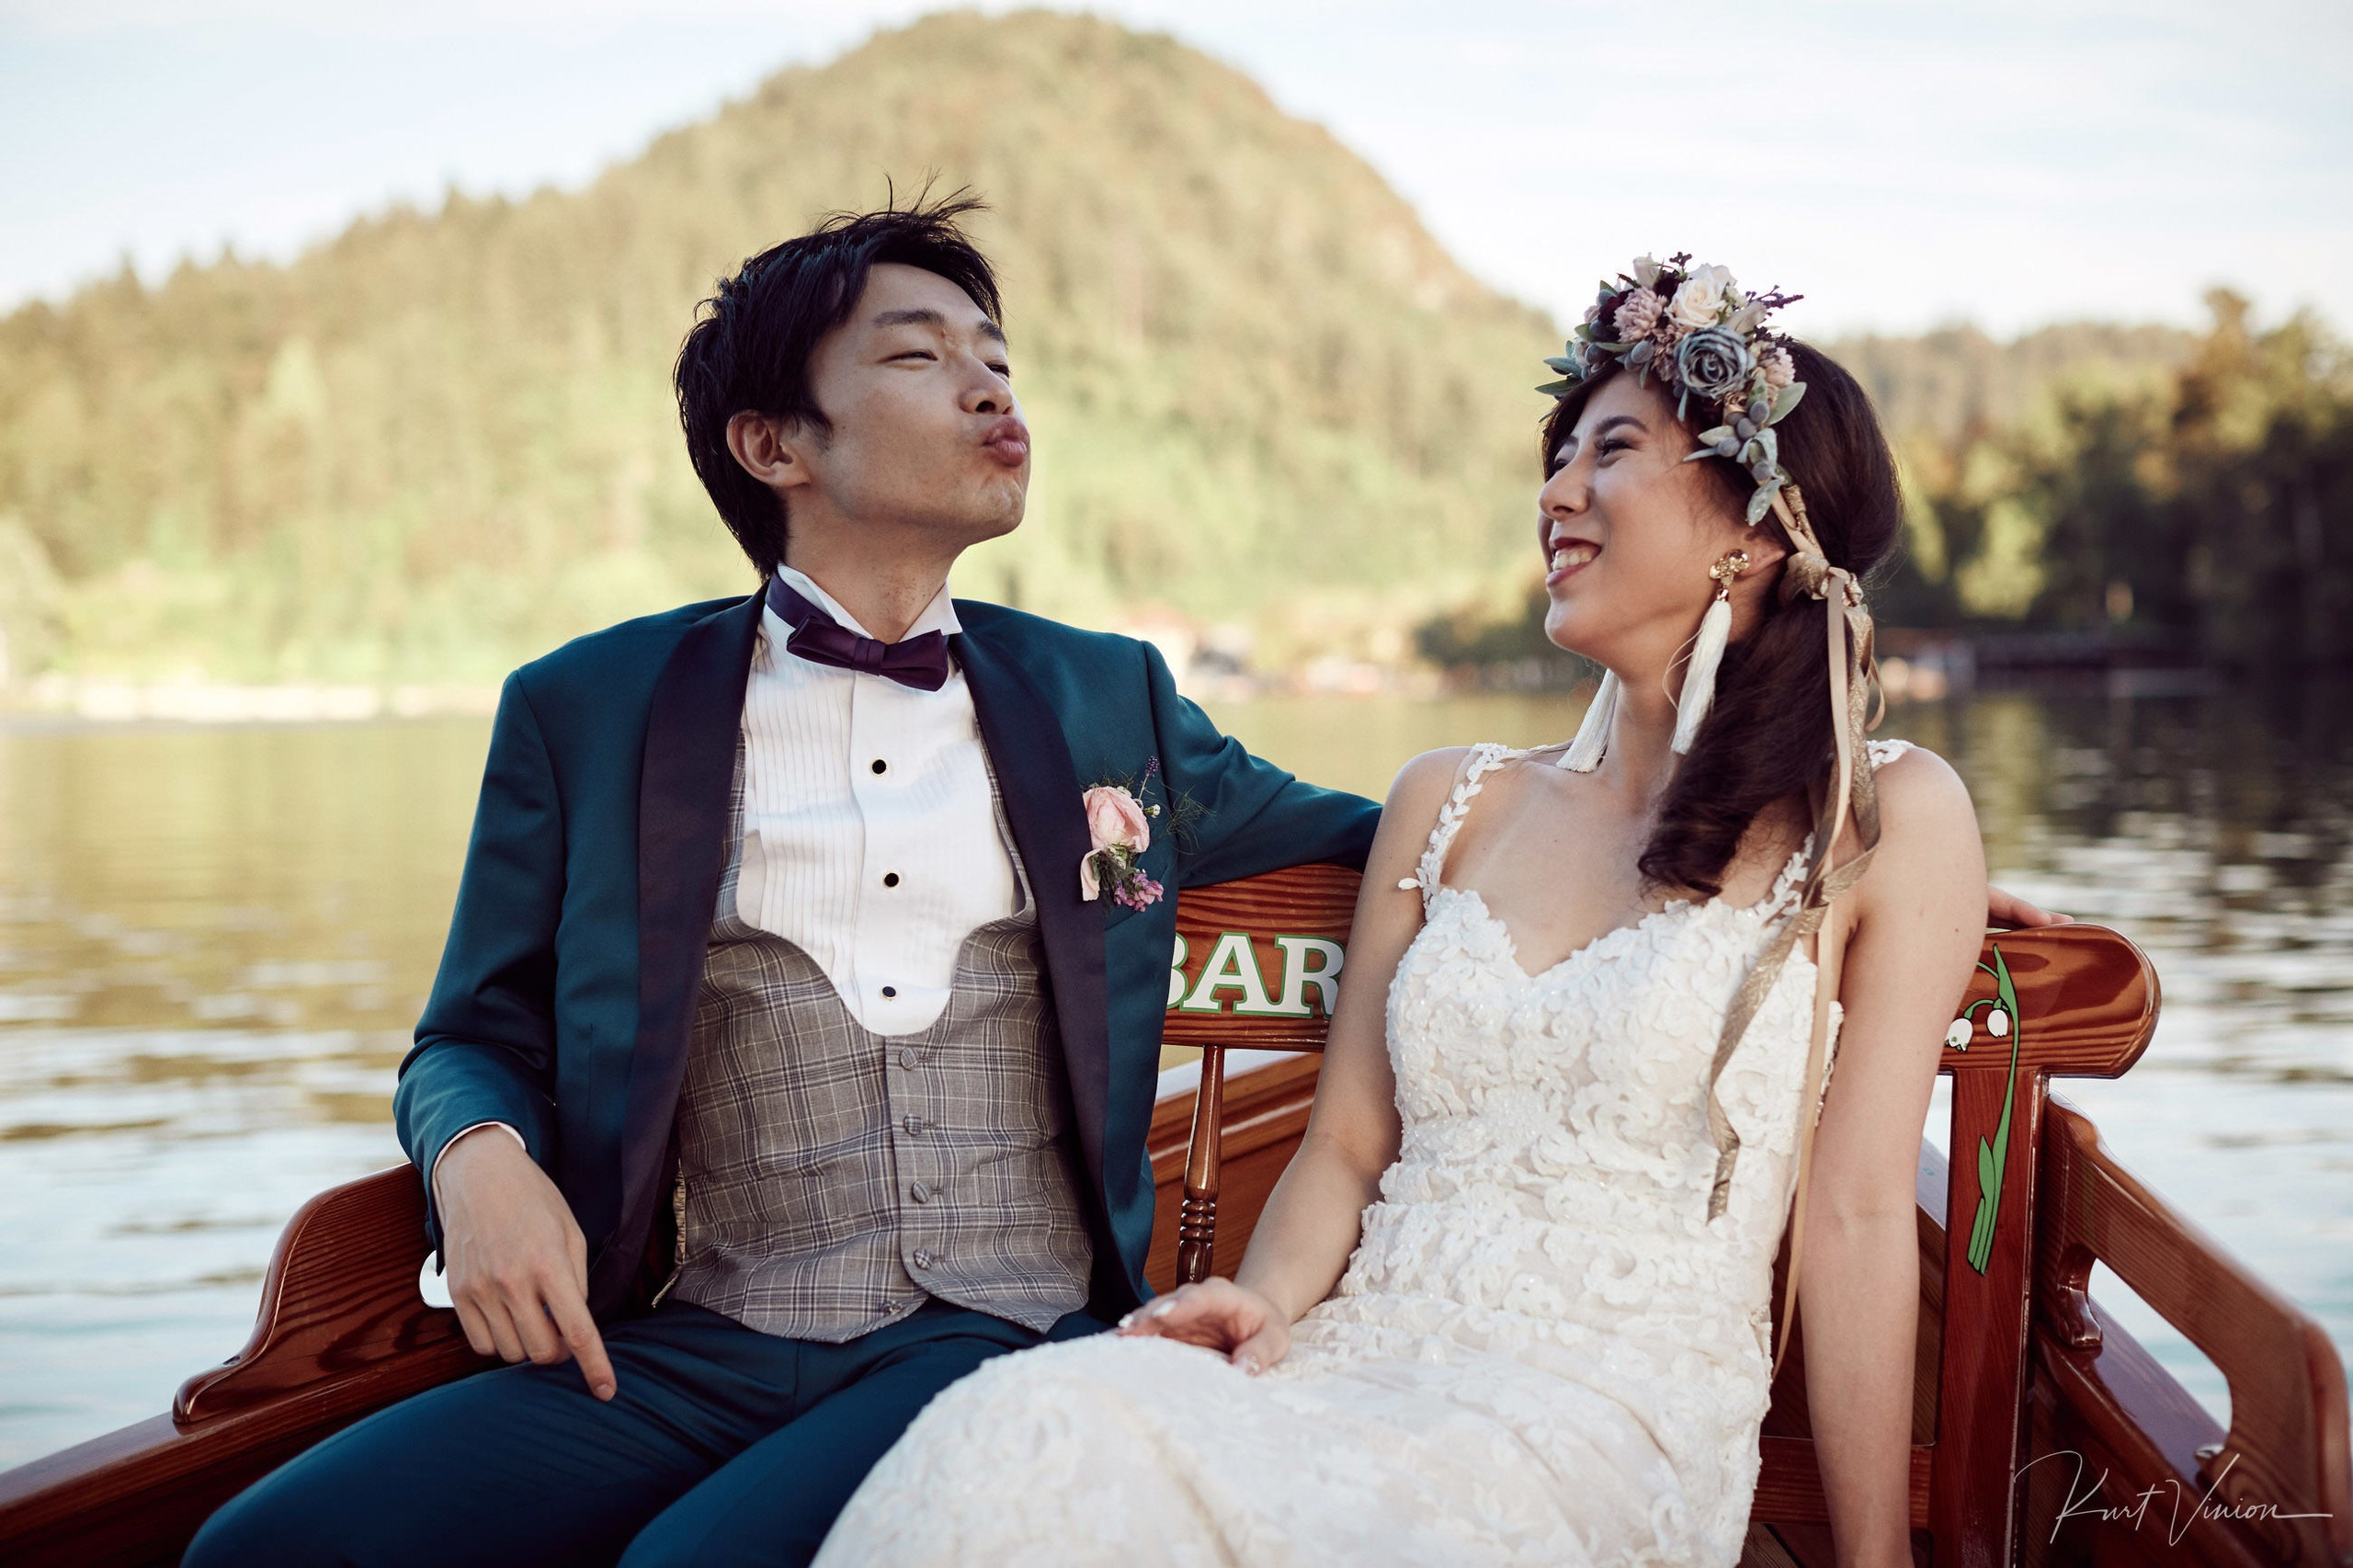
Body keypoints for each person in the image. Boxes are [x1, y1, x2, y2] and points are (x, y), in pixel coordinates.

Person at [182, 197, 1382, 1567]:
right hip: (697, 1342)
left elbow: (1400, 827)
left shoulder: (1108, 696)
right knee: (260, 1546)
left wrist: (1655, 777)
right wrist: (476, 1157)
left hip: (1002, 1335)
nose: (991, 384)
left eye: (997, 354)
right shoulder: (586, 707)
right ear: (773, 445)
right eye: (919, 356)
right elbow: (469, 1032)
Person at [817, 256, 1994, 1568]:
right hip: (1348, 1360)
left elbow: (1857, 1218)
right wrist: (1254, 1307)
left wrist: (1879, 1558)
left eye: (1610, 452)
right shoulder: (1450, 801)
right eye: (1558, 459)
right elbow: (1343, 1147)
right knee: (1023, 1428)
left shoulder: (1884, 817)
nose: (1554, 494)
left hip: (1598, 1424)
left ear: (1757, 523)